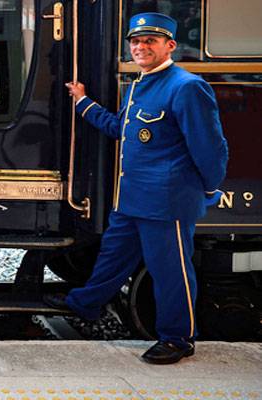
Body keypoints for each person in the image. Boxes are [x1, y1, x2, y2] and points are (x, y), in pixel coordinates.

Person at [45, 12, 228, 365]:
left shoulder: (186, 87)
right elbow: (121, 129)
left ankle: (178, 339)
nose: (140, 47)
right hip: (131, 198)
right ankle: (85, 304)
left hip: (167, 202)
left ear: (170, 45)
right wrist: (84, 103)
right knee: (113, 257)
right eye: (135, 41)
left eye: (150, 41)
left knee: (170, 272)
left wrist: (208, 189)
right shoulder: (138, 85)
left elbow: (211, 148)